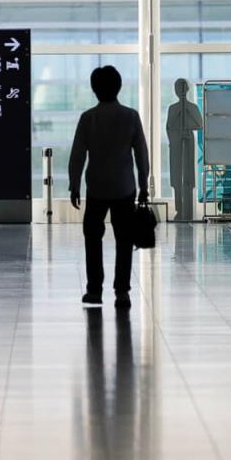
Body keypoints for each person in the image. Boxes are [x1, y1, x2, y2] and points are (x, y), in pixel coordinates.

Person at [67, 65, 150, 311]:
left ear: (94, 89)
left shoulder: (88, 118)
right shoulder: (130, 116)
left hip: (96, 189)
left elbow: (77, 156)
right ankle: (122, 292)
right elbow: (141, 156)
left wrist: (74, 186)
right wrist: (144, 184)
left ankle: (94, 290)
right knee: (124, 240)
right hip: (124, 188)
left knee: (92, 239)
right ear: (119, 86)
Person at [164, 78, 202, 223]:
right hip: (176, 141)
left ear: (187, 89)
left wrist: (188, 111)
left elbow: (199, 124)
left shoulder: (192, 107)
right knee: (176, 175)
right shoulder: (173, 108)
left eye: (182, 87)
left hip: (187, 139)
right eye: (177, 88)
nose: (180, 91)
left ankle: (188, 210)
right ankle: (179, 209)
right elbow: (169, 126)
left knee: (188, 175)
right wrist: (173, 140)